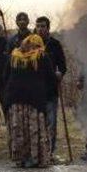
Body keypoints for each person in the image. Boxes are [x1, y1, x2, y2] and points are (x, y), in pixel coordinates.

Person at [5, 34, 56, 168]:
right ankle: (35, 157)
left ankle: (21, 158)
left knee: (19, 128)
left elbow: (5, 76)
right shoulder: (42, 56)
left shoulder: (14, 56)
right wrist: (50, 93)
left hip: (16, 99)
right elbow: (51, 78)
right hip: (35, 100)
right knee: (34, 128)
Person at [35, 16, 67, 159]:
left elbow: (63, 66)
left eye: (43, 26)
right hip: (34, 91)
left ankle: (50, 152)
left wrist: (60, 73)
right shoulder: (31, 44)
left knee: (51, 123)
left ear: (48, 28)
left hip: (50, 90)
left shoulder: (55, 44)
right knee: (36, 124)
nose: (40, 29)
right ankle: (37, 151)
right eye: (38, 26)